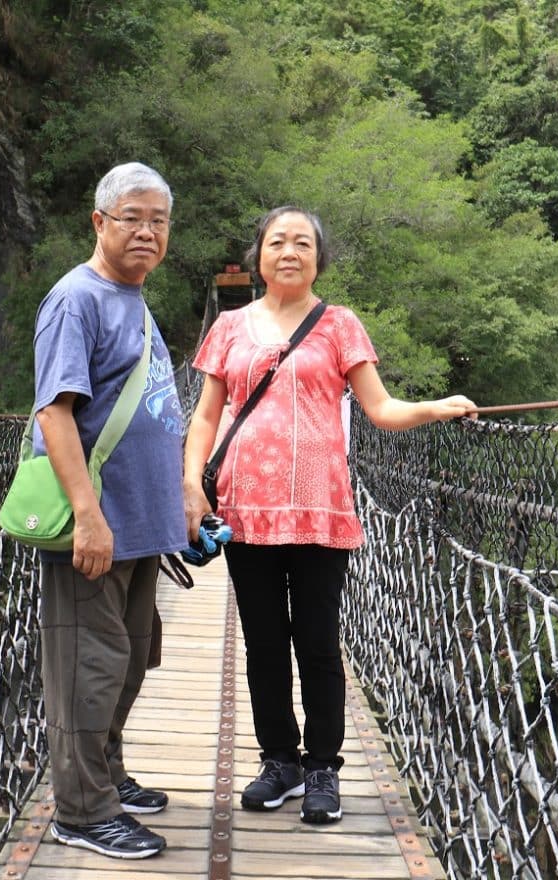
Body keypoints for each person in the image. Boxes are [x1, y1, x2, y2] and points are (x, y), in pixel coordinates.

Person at [182, 206, 476, 824]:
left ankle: (322, 767)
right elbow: (206, 415)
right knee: (264, 643)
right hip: (247, 509)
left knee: (317, 642)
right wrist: (190, 482)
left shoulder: (340, 324)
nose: (289, 252)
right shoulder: (229, 327)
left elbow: (380, 409)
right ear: (259, 254)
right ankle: (279, 762)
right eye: (277, 242)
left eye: (303, 243)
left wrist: (437, 407)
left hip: (320, 508)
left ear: (319, 258)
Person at [31, 162, 188, 859]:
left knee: (127, 658)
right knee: (88, 669)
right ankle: (83, 811)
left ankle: (106, 776)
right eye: (132, 218)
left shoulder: (133, 301)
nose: (147, 232)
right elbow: (54, 413)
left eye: (159, 221)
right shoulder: (77, 299)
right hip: (98, 526)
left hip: (140, 525)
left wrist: (179, 502)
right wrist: (88, 516)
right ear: (99, 222)